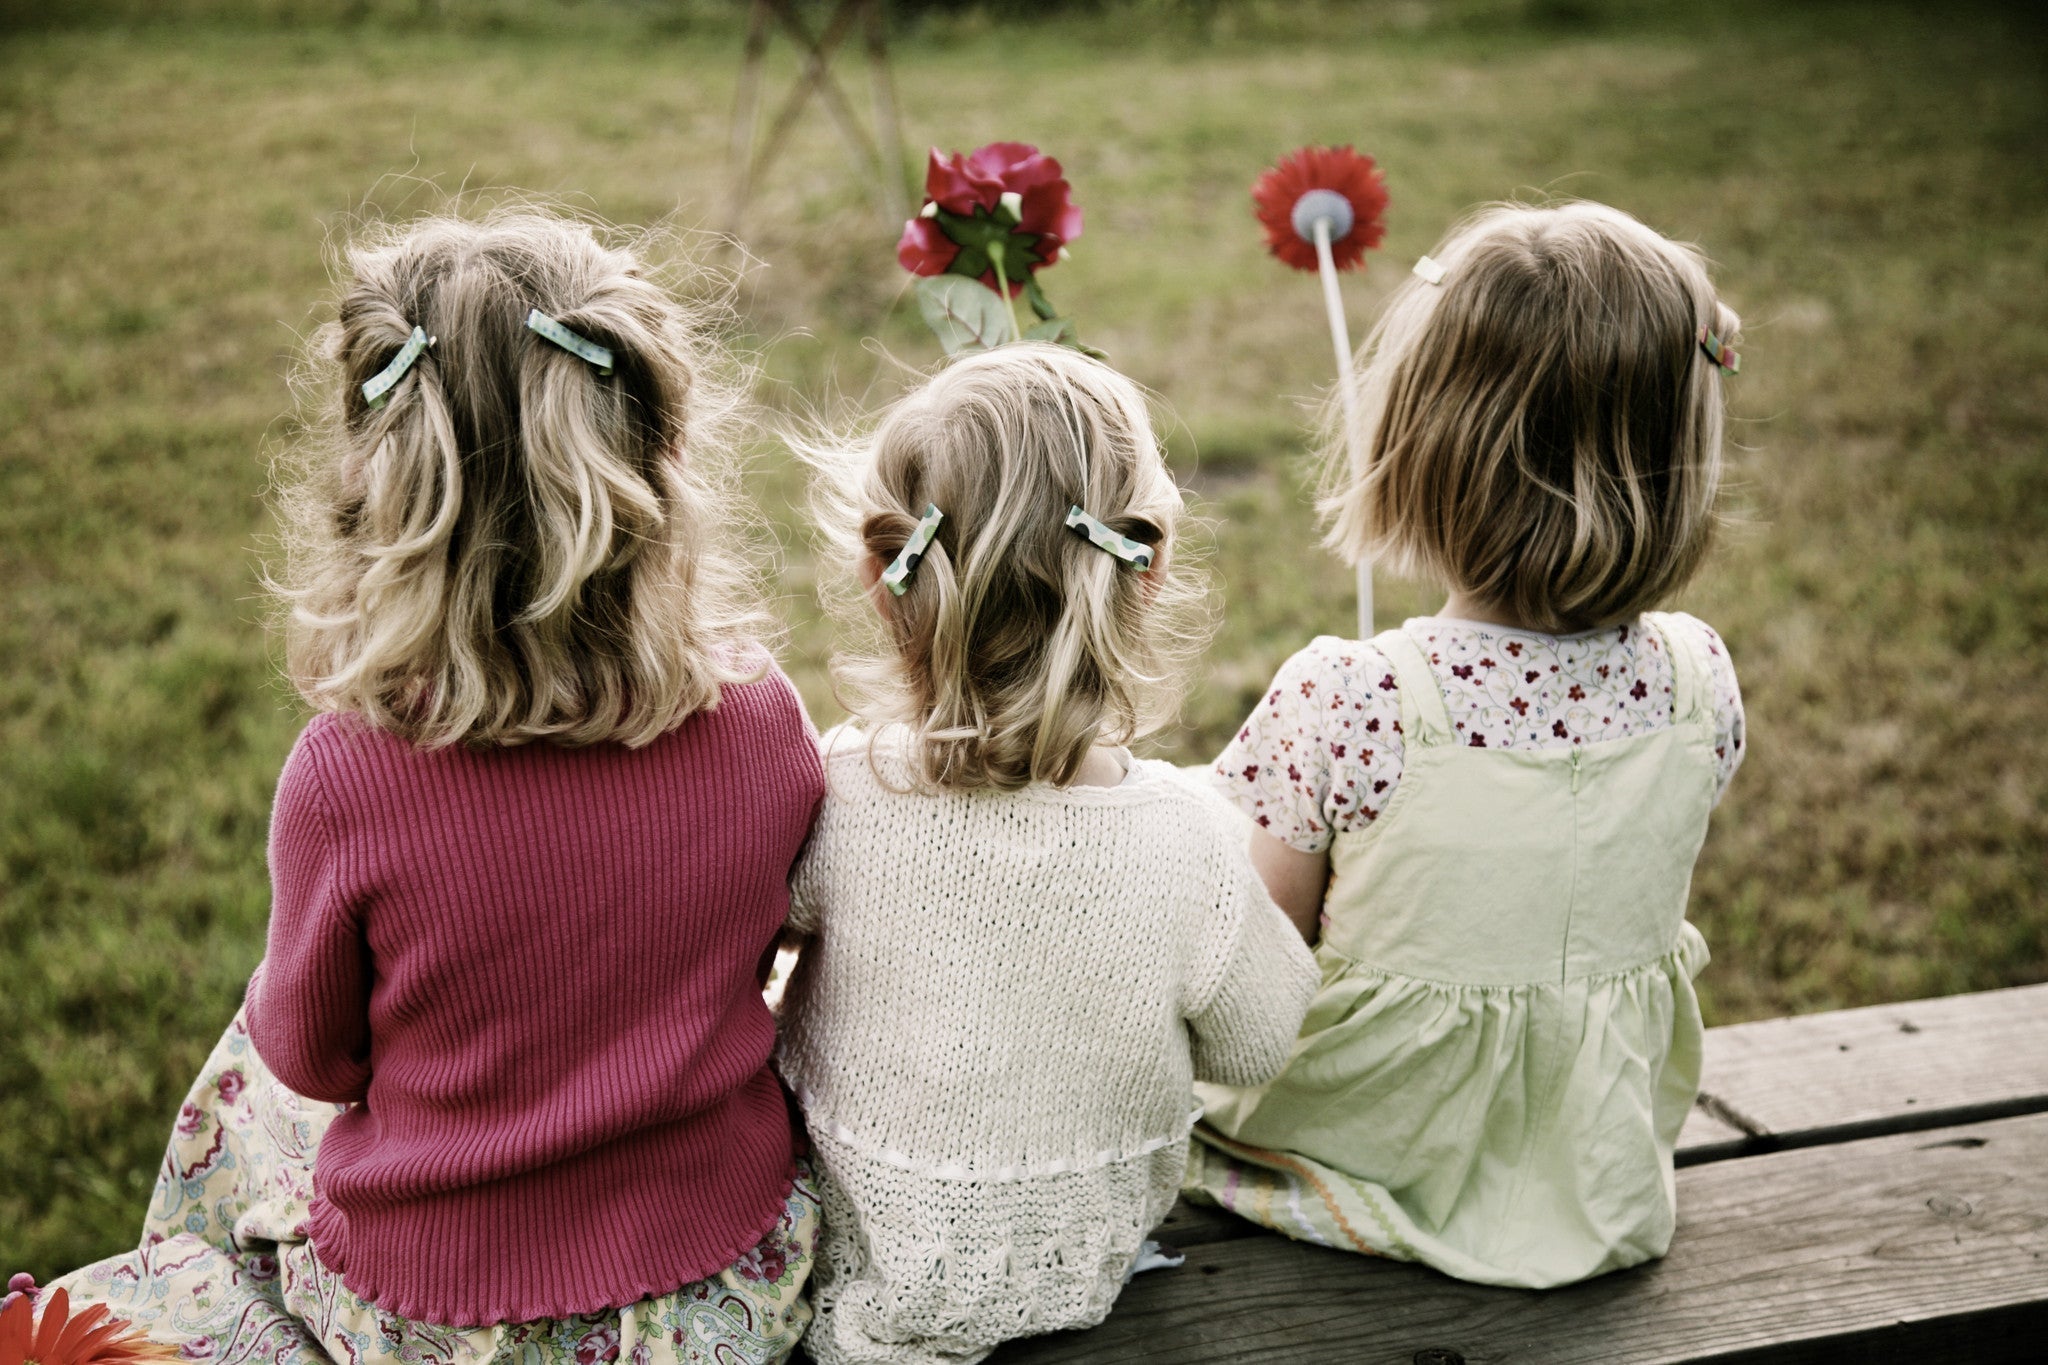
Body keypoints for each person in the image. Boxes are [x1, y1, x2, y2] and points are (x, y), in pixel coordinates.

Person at [55, 211, 827, 1365]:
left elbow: (315, 1061)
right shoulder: (762, 719)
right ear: (655, 460)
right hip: (719, 1288)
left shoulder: (346, 780)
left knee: (241, 1078)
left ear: (384, 499)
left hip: (443, 1323)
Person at [1191, 201, 1749, 1289]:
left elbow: (1255, 979)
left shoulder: (1355, 698)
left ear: (1417, 442)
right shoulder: (1696, 679)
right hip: (1592, 1173)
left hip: (1365, 1151)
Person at [779, 343, 1320, 1364]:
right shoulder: (1185, 833)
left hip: (849, 1236)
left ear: (879, 567)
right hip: (1076, 1260)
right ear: (1146, 567)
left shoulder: (836, 792)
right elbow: (1256, 1043)